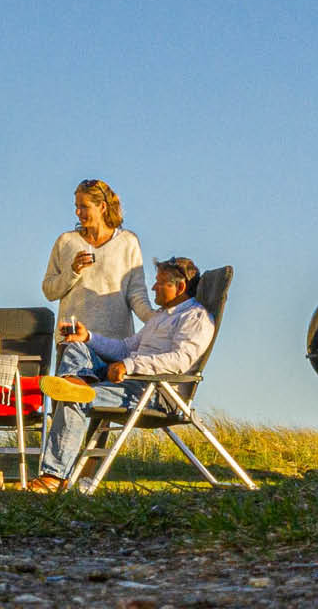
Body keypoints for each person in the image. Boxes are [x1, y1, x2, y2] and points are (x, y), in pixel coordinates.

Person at [26, 257, 214, 493]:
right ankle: (77, 381)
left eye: (160, 282)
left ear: (180, 287)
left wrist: (130, 365)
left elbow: (180, 361)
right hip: (127, 381)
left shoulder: (195, 317)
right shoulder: (160, 317)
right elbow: (126, 348)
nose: (154, 287)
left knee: (73, 398)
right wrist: (88, 338)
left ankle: (54, 476)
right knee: (74, 347)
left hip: (153, 392)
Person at [41, 179, 157, 341]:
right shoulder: (66, 242)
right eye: (76, 206)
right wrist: (73, 271)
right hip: (72, 341)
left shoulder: (127, 241)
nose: (78, 212)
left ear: (102, 207)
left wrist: (155, 319)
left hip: (116, 344)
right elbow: (49, 291)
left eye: (84, 207)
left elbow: (136, 293)